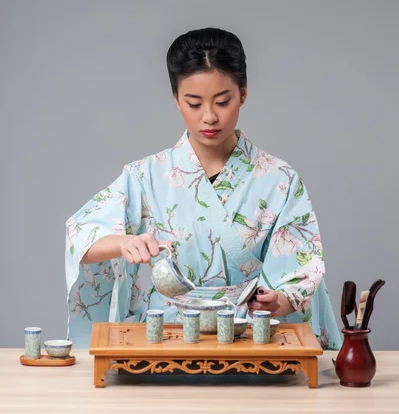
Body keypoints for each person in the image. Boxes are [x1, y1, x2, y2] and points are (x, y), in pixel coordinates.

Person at [65, 27, 341, 349]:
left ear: (243, 94)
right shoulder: (145, 175)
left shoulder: (279, 179)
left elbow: (300, 273)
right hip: (167, 338)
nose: (209, 117)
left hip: (248, 338)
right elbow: (81, 237)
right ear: (176, 100)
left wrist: (276, 301)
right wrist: (125, 242)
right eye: (194, 103)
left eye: (222, 101)